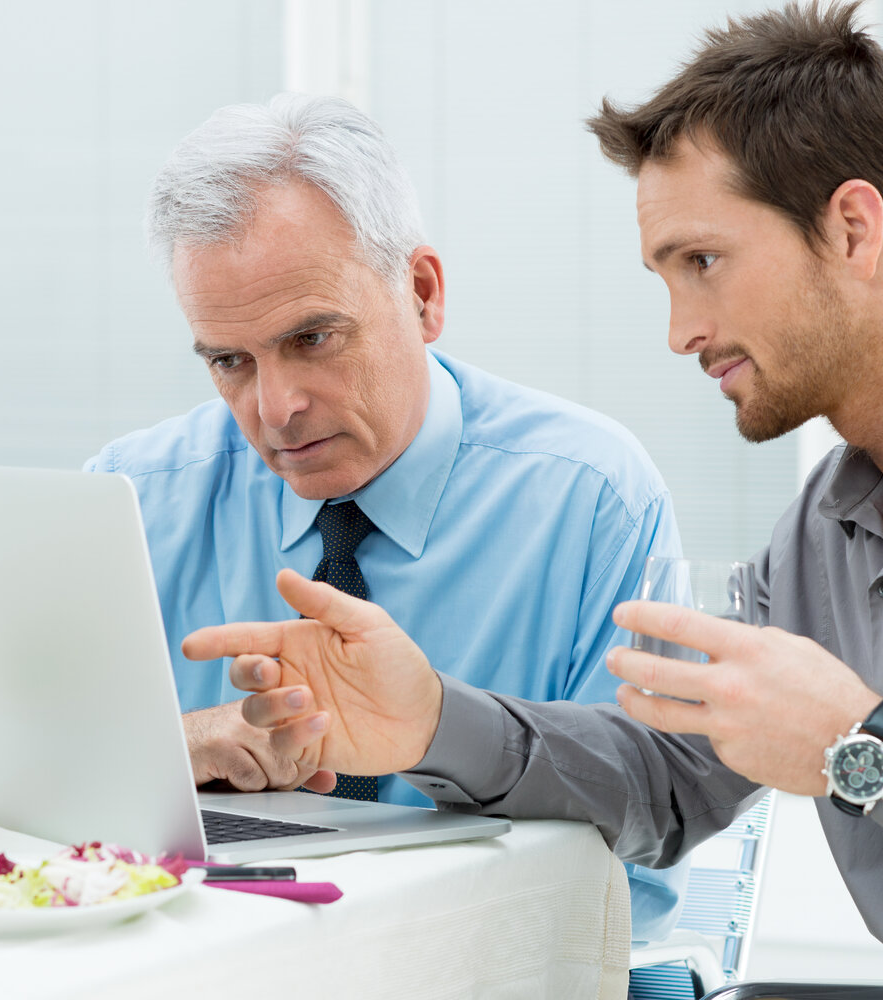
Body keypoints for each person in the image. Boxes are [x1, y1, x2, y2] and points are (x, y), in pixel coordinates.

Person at [184, 5, 883, 998]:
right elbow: (669, 782)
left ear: (852, 229)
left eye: (702, 263)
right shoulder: (824, 531)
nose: (680, 332)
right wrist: (432, 723)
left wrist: (866, 745)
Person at [78, 94, 689, 942]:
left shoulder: (591, 501)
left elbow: (651, 830)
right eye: (229, 361)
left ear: (423, 293)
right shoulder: (130, 501)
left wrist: (441, 731)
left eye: (313, 339)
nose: (275, 408)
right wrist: (161, 754)